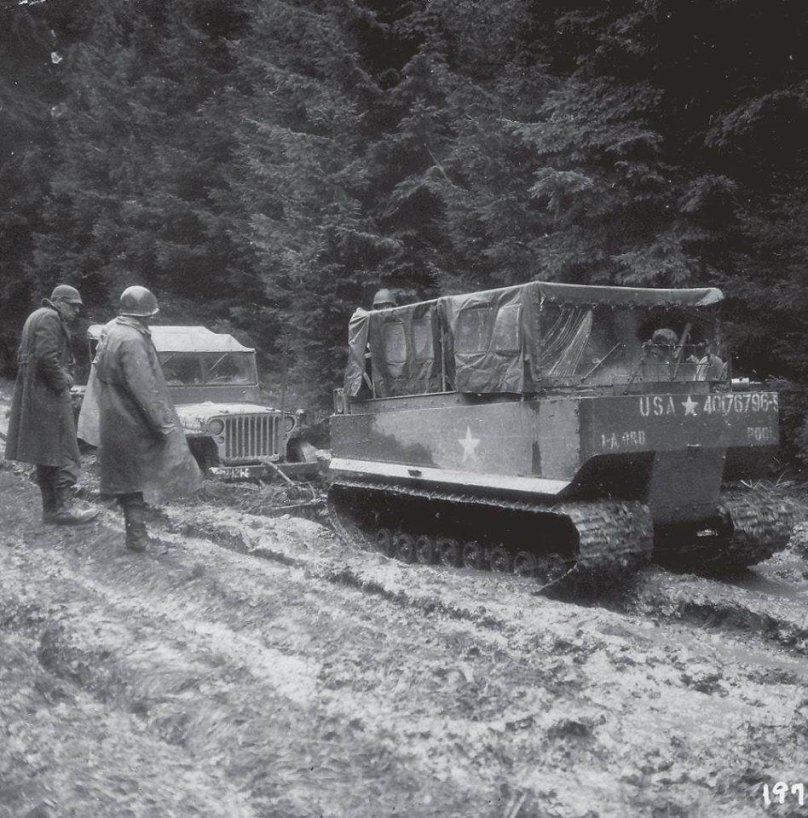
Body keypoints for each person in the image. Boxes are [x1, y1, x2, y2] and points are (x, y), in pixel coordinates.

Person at [88, 285, 201, 552]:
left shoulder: (111, 330)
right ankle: (137, 538)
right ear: (143, 314)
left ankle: (136, 534)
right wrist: (162, 425)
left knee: (128, 478)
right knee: (136, 478)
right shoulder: (132, 340)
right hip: (132, 419)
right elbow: (144, 388)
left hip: (114, 415)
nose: (151, 319)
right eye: (150, 314)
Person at [5, 284, 98, 524]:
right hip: (48, 394)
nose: (76, 311)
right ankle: (64, 509)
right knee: (63, 450)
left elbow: (21, 353)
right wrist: (63, 382)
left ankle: (51, 510)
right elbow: (47, 357)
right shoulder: (51, 318)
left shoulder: (35, 316)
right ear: (60, 302)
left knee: (45, 452)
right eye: (73, 306)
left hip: (33, 393)